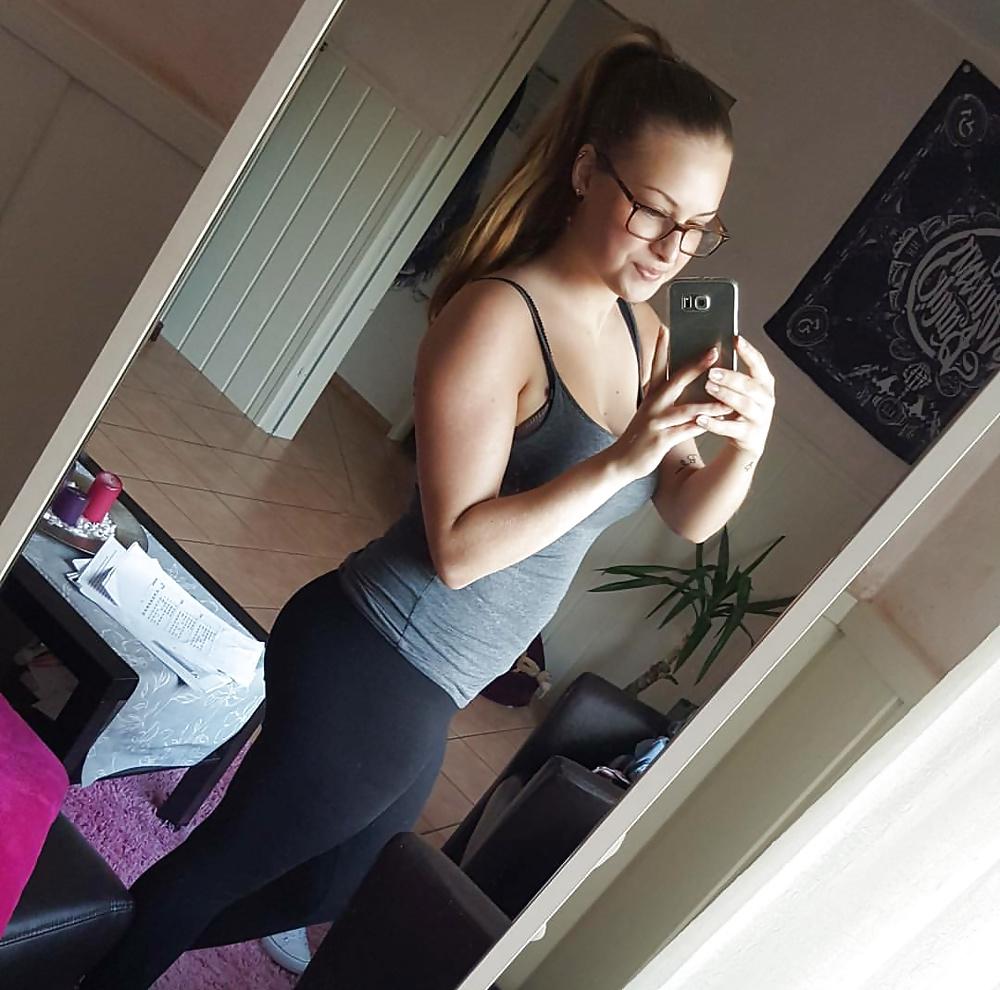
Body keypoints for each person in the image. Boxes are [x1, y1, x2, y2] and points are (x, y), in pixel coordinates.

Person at [79, 23, 774, 989]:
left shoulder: (649, 335)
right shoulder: (501, 316)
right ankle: (92, 953)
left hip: (431, 685)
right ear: (587, 172)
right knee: (215, 872)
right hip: (377, 652)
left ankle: (88, 938)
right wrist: (623, 457)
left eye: (698, 227)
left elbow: (691, 512)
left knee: (325, 887)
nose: (673, 248)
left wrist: (747, 443)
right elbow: (457, 550)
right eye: (654, 210)